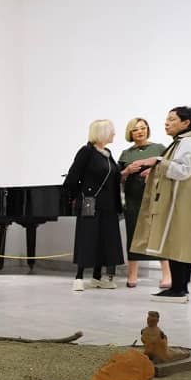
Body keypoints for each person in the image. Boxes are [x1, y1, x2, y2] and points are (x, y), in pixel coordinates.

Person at [128, 106, 191, 303]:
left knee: (177, 245)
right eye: (167, 119)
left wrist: (157, 161)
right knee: (183, 246)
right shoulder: (186, 142)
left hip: (182, 205)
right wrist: (157, 168)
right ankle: (180, 288)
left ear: (186, 123)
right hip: (185, 203)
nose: (166, 123)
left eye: (172, 119)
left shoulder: (188, 143)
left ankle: (178, 290)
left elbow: (182, 171)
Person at [63, 119, 124, 290]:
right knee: (87, 238)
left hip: (109, 205)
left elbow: (113, 177)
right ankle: (79, 277)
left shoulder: (107, 153)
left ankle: (97, 277)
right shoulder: (86, 152)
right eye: (111, 130)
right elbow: (72, 177)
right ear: (102, 132)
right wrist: (79, 197)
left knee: (105, 240)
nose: (114, 134)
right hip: (91, 204)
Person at [118, 118, 172, 289]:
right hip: (133, 199)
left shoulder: (159, 148)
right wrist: (127, 171)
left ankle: (167, 275)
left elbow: (170, 168)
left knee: (158, 234)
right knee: (133, 235)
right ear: (130, 133)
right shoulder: (126, 154)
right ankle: (132, 274)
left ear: (148, 130)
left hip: (155, 199)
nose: (140, 131)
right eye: (135, 129)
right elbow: (118, 178)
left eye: (143, 128)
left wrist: (154, 171)